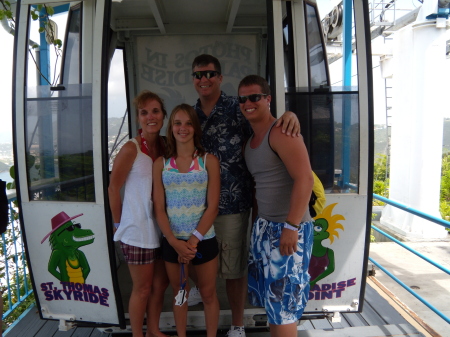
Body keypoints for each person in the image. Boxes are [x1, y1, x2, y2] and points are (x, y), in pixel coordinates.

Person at [190, 54, 301, 337]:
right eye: (198, 75)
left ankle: (238, 324)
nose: (204, 79)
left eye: (210, 74)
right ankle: (201, 300)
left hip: (234, 203)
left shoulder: (238, 107)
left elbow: (267, 122)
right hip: (197, 207)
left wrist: (290, 114)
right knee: (198, 262)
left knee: (234, 270)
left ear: (220, 78)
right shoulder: (190, 116)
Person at [238, 75, 314, 337]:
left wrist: (291, 227)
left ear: (268, 99)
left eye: (254, 97)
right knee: (274, 305)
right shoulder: (251, 142)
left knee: (284, 307)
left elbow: (305, 178)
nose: (248, 103)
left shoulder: (281, 132)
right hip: (265, 230)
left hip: (288, 230)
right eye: (243, 99)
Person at [153, 104, 221, 337]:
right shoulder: (160, 164)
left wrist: (191, 242)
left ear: (196, 128)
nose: (183, 128)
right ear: (171, 128)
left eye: (189, 123)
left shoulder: (208, 161)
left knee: (209, 294)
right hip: (173, 243)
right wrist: (174, 242)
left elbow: (212, 208)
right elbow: (159, 209)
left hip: (203, 240)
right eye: (178, 123)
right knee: (180, 293)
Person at [108, 91, 169, 337]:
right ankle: (137, 335)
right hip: (138, 231)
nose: (150, 117)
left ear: (163, 116)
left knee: (160, 284)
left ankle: (153, 330)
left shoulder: (166, 145)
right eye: (144, 112)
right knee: (142, 289)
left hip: (162, 229)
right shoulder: (131, 149)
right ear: (138, 118)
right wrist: (117, 223)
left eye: (155, 111)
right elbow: (113, 188)